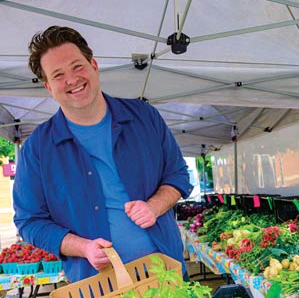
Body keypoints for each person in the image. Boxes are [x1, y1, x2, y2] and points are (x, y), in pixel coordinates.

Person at [13, 26, 193, 282]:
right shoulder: (37, 149)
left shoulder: (144, 117)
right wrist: (82, 247)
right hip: (97, 290)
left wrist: (153, 207)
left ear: (94, 65)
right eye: (58, 75)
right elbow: (29, 221)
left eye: (77, 66)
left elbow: (177, 174)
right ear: (48, 87)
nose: (72, 79)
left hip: (167, 274)